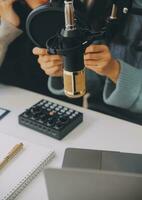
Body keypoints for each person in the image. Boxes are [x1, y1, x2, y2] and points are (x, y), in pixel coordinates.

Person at [33, 0, 142, 122]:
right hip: (100, 116)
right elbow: (96, 80)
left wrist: (114, 70)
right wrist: (67, 67)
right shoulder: (104, 6)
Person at [0, 0, 81, 105]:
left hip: (52, 103)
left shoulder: (70, 9)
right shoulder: (7, 6)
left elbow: (78, 85)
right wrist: (7, 28)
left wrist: (63, 69)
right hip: (8, 99)